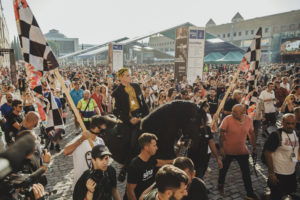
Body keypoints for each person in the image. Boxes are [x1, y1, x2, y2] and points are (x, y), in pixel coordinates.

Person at [218, 104, 257, 199]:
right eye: (232, 111)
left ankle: (250, 193)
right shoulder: (227, 119)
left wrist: (254, 147)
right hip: (228, 150)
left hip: (242, 150)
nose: (233, 113)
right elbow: (221, 134)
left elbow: (251, 134)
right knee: (223, 169)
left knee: (246, 173)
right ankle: (220, 184)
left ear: (243, 112)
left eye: (235, 112)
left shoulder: (248, 120)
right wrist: (221, 148)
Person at [125, 133, 173, 200]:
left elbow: (160, 162)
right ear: (146, 147)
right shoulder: (135, 165)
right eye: (154, 145)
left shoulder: (150, 159)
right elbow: (130, 191)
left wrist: (174, 161)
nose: (157, 148)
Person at [263, 114, 299, 200]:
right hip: (278, 173)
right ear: (282, 123)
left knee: (289, 192)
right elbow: (267, 153)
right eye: (287, 123)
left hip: (291, 172)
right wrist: (271, 173)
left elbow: (296, 150)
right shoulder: (276, 135)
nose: (290, 126)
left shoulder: (295, 133)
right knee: (276, 196)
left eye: (292, 123)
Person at [63, 115, 105, 187]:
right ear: (97, 128)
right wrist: (81, 139)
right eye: (104, 126)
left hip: (96, 184)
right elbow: (66, 151)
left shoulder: (101, 141)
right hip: (81, 185)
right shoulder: (81, 139)